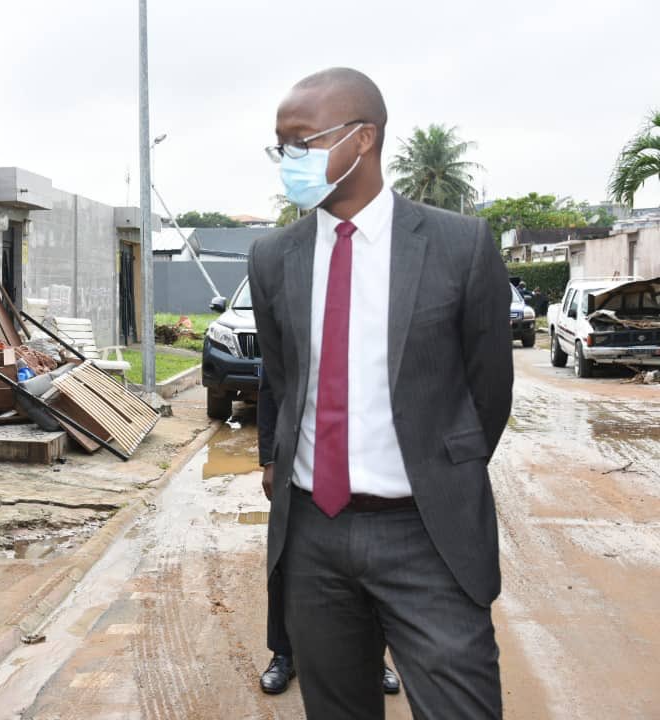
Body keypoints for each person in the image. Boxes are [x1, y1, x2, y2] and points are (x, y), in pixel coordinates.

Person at [249, 68, 512, 719]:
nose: (288, 160)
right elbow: (280, 379)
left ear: (363, 139)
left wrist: (441, 468)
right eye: (280, 144)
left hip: (426, 532)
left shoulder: (459, 246)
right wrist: (276, 459)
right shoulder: (273, 257)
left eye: (301, 142)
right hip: (313, 533)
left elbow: (489, 391)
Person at [256, 382, 400, 697]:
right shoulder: (290, 329)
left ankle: (372, 658)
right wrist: (269, 459)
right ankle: (284, 654)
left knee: (367, 558)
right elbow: (270, 387)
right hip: (299, 461)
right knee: (287, 561)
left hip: (366, 460)